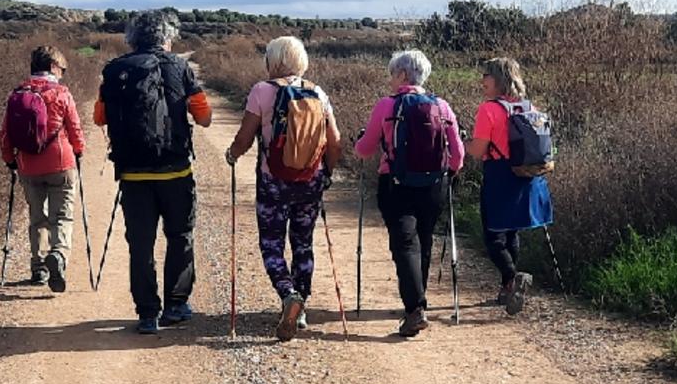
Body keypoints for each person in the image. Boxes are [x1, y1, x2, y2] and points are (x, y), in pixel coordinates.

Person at [95, 9, 213, 334]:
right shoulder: (180, 67)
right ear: (166, 37)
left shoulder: (115, 70)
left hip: (133, 175)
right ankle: (176, 305)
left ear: (132, 38)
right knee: (180, 237)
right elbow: (204, 117)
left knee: (141, 245)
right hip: (176, 171)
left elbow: (99, 117)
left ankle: (147, 314)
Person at [228, 36, 341, 342]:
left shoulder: (262, 91)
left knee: (272, 244)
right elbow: (335, 141)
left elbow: (245, 137)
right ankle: (300, 308)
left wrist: (232, 155)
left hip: (273, 182)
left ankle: (288, 293)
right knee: (303, 243)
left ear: (273, 60)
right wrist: (327, 173)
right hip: (310, 181)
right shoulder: (317, 91)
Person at [354, 49, 464, 338]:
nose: (390, 80)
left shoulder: (386, 106)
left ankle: (415, 308)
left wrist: (360, 141)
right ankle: (418, 303)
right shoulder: (442, 106)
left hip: (396, 185)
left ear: (403, 75)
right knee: (424, 241)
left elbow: (364, 150)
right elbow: (458, 154)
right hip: (434, 186)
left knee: (404, 244)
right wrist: (448, 173)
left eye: (392, 74)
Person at [0, 45, 88, 292]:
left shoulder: (17, 94)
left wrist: (10, 159)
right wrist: (79, 150)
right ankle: (58, 254)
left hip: (28, 166)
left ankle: (38, 268)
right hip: (61, 163)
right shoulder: (61, 93)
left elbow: (5, 133)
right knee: (62, 216)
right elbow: (75, 129)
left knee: (37, 218)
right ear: (52, 66)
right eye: (62, 68)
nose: (63, 73)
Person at [470, 56, 553, 316]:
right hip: (527, 175)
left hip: (499, 174)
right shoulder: (529, 107)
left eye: (487, 75)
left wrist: (460, 145)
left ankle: (511, 277)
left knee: (493, 235)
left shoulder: (488, 109)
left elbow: (478, 150)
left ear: (499, 79)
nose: (483, 80)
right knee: (511, 232)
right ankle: (508, 289)